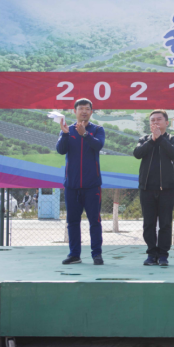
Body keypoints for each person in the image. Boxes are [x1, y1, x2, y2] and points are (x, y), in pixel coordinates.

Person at [56, 98, 106, 265]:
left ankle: (96, 254)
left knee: (95, 221)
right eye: (80, 108)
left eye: (87, 109)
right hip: (72, 185)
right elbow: (60, 150)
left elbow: (98, 146)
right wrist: (64, 134)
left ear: (91, 112)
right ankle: (74, 254)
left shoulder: (97, 129)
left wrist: (84, 133)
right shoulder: (67, 129)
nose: (84, 111)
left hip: (92, 186)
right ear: (74, 111)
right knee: (72, 221)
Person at [133, 109, 174, 267]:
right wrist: (152, 140)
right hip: (146, 188)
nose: (155, 122)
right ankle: (151, 253)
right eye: (152, 120)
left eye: (159, 119)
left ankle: (163, 255)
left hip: (167, 189)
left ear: (166, 123)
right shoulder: (144, 139)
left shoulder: (173, 139)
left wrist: (160, 138)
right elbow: (137, 153)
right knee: (149, 223)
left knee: (165, 224)